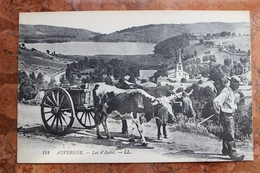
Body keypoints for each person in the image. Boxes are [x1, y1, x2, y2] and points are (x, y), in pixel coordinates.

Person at [213, 76, 244, 161]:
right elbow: (217, 101)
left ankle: (226, 150)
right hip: (226, 115)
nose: (238, 86)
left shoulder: (232, 91)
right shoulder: (226, 91)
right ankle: (233, 153)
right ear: (232, 82)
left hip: (229, 114)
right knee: (230, 133)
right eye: (237, 84)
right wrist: (217, 110)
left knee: (227, 132)